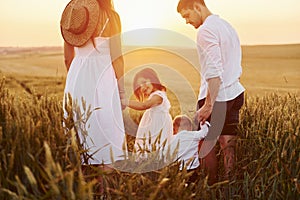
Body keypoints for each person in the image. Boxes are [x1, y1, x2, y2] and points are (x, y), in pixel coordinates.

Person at [61, 0, 126, 194]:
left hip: (77, 80)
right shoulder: (112, 17)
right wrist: (121, 91)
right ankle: (104, 192)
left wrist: (76, 77)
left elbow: (67, 57)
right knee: (107, 134)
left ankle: (82, 192)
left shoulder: (73, 12)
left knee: (79, 135)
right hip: (103, 78)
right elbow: (117, 58)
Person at [177, 0, 245, 185]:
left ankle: (210, 188)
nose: (187, 21)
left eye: (187, 15)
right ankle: (229, 187)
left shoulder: (205, 30)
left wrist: (208, 104)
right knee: (228, 145)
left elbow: (214, 71)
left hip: (217, 98)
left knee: (205, 146)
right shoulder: (227, 26)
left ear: (197, 6)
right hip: (234, 92)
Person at [122, 68, 173, 156]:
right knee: (150, 143)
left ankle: (153, 160)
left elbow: (143, 105)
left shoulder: (158, 95)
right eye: (139, 86)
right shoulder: (156, 95)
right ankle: (149, 160)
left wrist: (126, 102)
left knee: (155, 143)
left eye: (144, 82)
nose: (143, 87)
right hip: (154, 125)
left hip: (158, 126)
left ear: (153, 80)